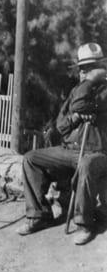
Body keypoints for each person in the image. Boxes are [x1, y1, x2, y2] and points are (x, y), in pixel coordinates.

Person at [17, 43, 107, 245]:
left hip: (95, 152)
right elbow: (61, 125)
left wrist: (91, 82)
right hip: (68, 150)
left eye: (91, 67)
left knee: (86, 165)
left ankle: (85, 224)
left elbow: (80, 104)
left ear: (100, 68)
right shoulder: (76, 90)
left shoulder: (104, 91)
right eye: (83, 68)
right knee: (31, 159)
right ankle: (39, 216)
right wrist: (75, 118)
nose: (85, 72)